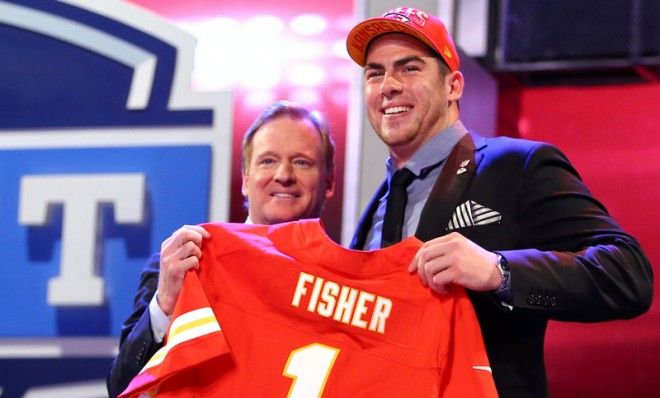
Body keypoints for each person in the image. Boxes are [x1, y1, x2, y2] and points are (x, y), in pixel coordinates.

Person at [345, 6, 653, 398]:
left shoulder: (517, 165)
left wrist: (500, 271)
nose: (388, 85)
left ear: (453, 85)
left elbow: (628, 274)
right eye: (375, 72)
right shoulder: (376, 207)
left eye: (409, 68)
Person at [106, 101, 336, 398]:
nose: (284, 174)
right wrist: (164, 305)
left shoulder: (348, 291)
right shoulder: (189, 262)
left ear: (329, 181)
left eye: (302, 162)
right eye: (267, 161)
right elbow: (121, 387)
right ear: (245, 179)